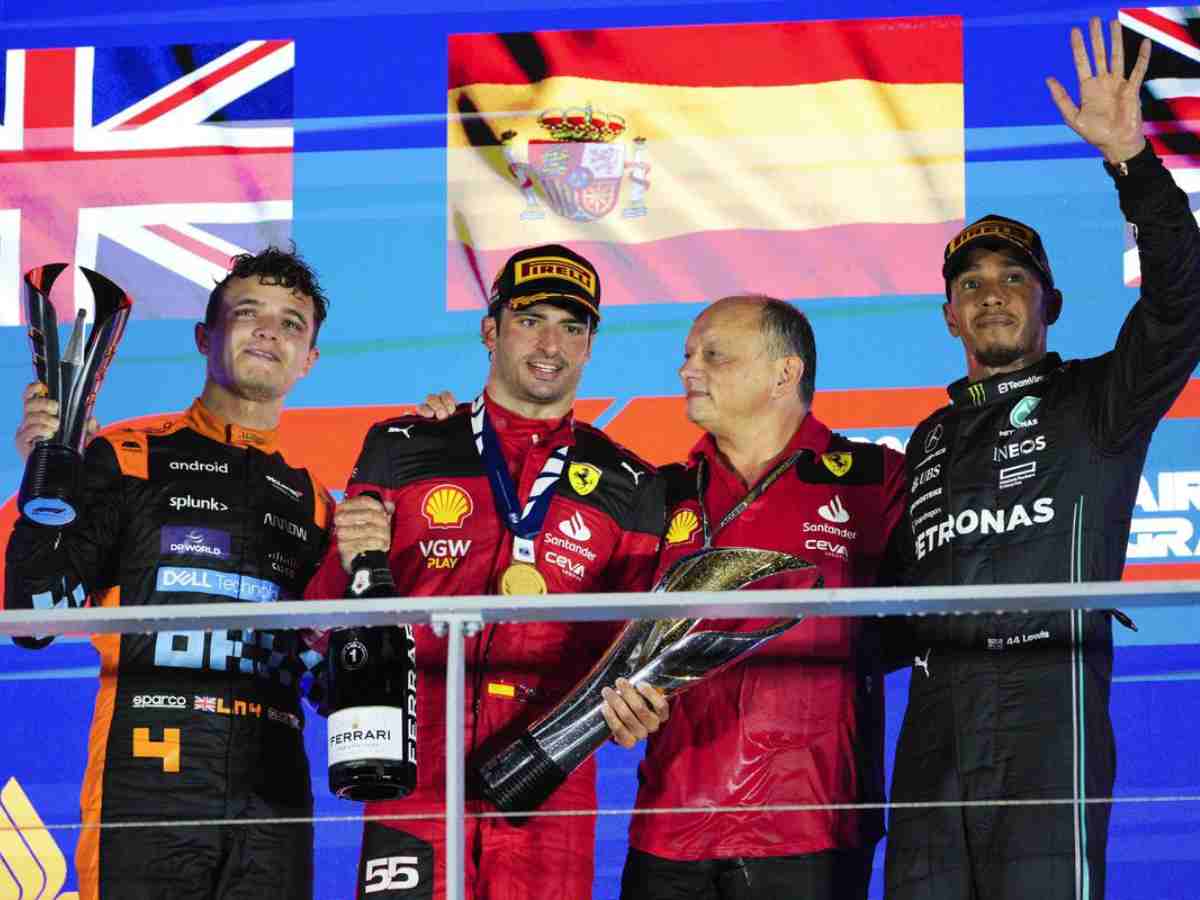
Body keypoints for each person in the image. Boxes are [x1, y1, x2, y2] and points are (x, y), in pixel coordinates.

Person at [884, 19, 1200, 900]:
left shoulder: (1101, 399)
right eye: (972, 284)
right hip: (935, 731)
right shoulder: (929, 439)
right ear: (949, 316)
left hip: (1045, 716)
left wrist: (1132, 159)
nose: (992, 294)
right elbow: (886, 609)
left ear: (1051, 302)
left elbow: (1184, 302)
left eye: (1013, 279)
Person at [305, 243, 668, 900]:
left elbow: (636, 656)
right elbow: (326, 623)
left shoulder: (632, 483)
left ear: (589, 347)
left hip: (548, 779)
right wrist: (344, 554)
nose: (551, 342)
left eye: (573, 325)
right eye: (531, 319)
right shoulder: (403, 445)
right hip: (411, 774)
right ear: (490, 328)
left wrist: (640, 707)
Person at [5, 247, 334, 900]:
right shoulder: (126, 456)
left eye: (291, 323)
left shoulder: (318, 502)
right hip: (147, 793)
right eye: (248, 313)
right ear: (204, 337)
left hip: (273, 809)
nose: (270, 331)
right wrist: (49, 472)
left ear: (309, 361)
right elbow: (35, 616)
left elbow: (329, 679)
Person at [615, 295, 906, 898]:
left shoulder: (876, 480)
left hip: (811, 826)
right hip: (669, 823)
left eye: (714, 356)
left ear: (785, 373)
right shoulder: (661, 491)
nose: (687, 371)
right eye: (689, 355)